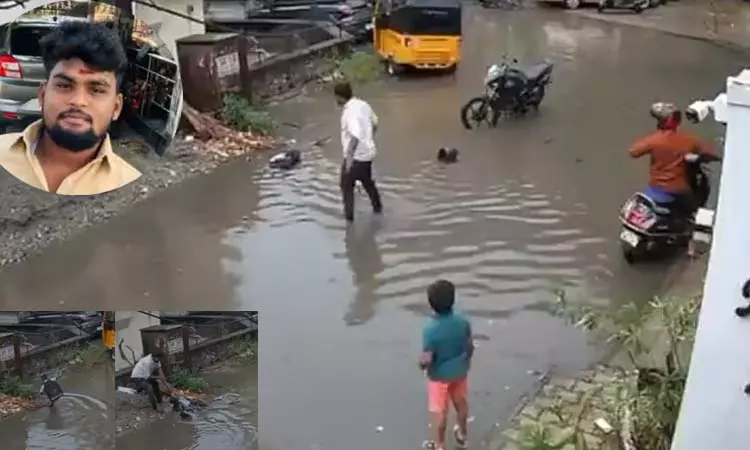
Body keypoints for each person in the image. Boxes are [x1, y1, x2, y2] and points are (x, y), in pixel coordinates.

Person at [0, 21, 141, 195]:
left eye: (97, 90)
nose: (78, 101)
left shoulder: (131, 188)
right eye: (64, 86)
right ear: (42, 95)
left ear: (116, 107)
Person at [628, 102, 720, 216]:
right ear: (676, 121)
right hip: (679, 191)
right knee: (694, 210)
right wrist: (698, 158)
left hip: (655, 189)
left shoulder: (654, 140)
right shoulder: (688, 140)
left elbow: (633, 151)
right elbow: (713, 153)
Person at [420, 279, 473, 450]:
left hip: (439, 377)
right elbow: (469, 346)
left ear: (431, 304)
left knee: (440, 412)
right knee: (461, 403)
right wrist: (466, 361)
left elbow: (427, 358)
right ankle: (462, 434)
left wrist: (422, 365)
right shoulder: (462, 322)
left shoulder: (430, 330)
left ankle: (439, 445)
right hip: (460, 372)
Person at [335, 80, 383, 222]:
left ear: (339, 97)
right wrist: (369, 140)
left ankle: (349, 221)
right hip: (368, 154)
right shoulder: (363, 104)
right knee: (367, 181)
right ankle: (378, 208)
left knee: (346, 186)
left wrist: (349, 160)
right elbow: (375, 123)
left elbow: (355, 135)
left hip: (356, 157)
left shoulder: (348, 113)